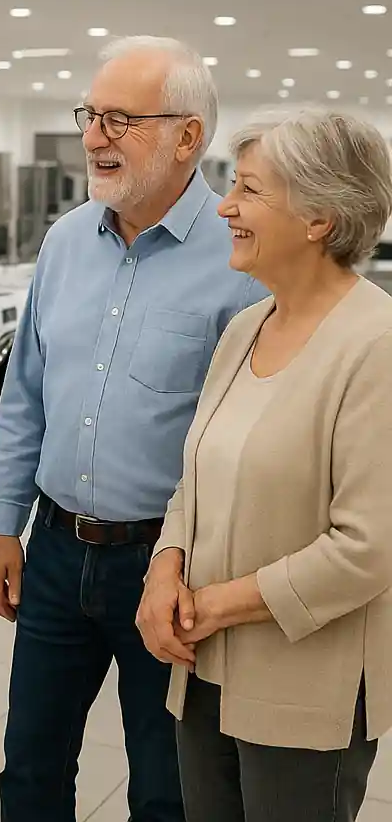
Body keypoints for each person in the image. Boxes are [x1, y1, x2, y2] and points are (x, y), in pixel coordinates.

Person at [0, 35, 269, 822]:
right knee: (30, 773)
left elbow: (248, 440)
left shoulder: (242, 257)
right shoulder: (67, 242)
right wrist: (4, 525)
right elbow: (27, 397)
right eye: (91, 115)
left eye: (121, 119)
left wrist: (185, 563)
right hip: (54, 551)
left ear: (188, 137)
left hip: (173, 565)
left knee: (166, 788)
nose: (95, 136)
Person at [137, 107, 392, 822]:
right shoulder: (249, 325)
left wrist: (212, 604)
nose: (225, 206)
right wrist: (165, 569)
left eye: (248, 189)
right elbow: (196, 476)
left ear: (318, 217)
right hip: (205, 667)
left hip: (307, 685)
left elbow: (367, 548)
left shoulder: (376, 345)